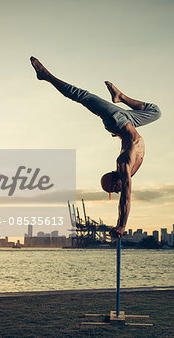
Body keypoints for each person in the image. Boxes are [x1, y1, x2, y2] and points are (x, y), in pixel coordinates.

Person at [30, 57, 161, 238]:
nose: (116, 191)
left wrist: (121, 225)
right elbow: (125, 196)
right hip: (127, 122)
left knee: (82, 96)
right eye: (113, 191)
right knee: (155, 112)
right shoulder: (128, 170)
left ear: (116, 179)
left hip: (117, 120)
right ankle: (119, 97)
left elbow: (126, 199)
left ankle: (46, 75)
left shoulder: (123, 165)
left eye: (113, 189)